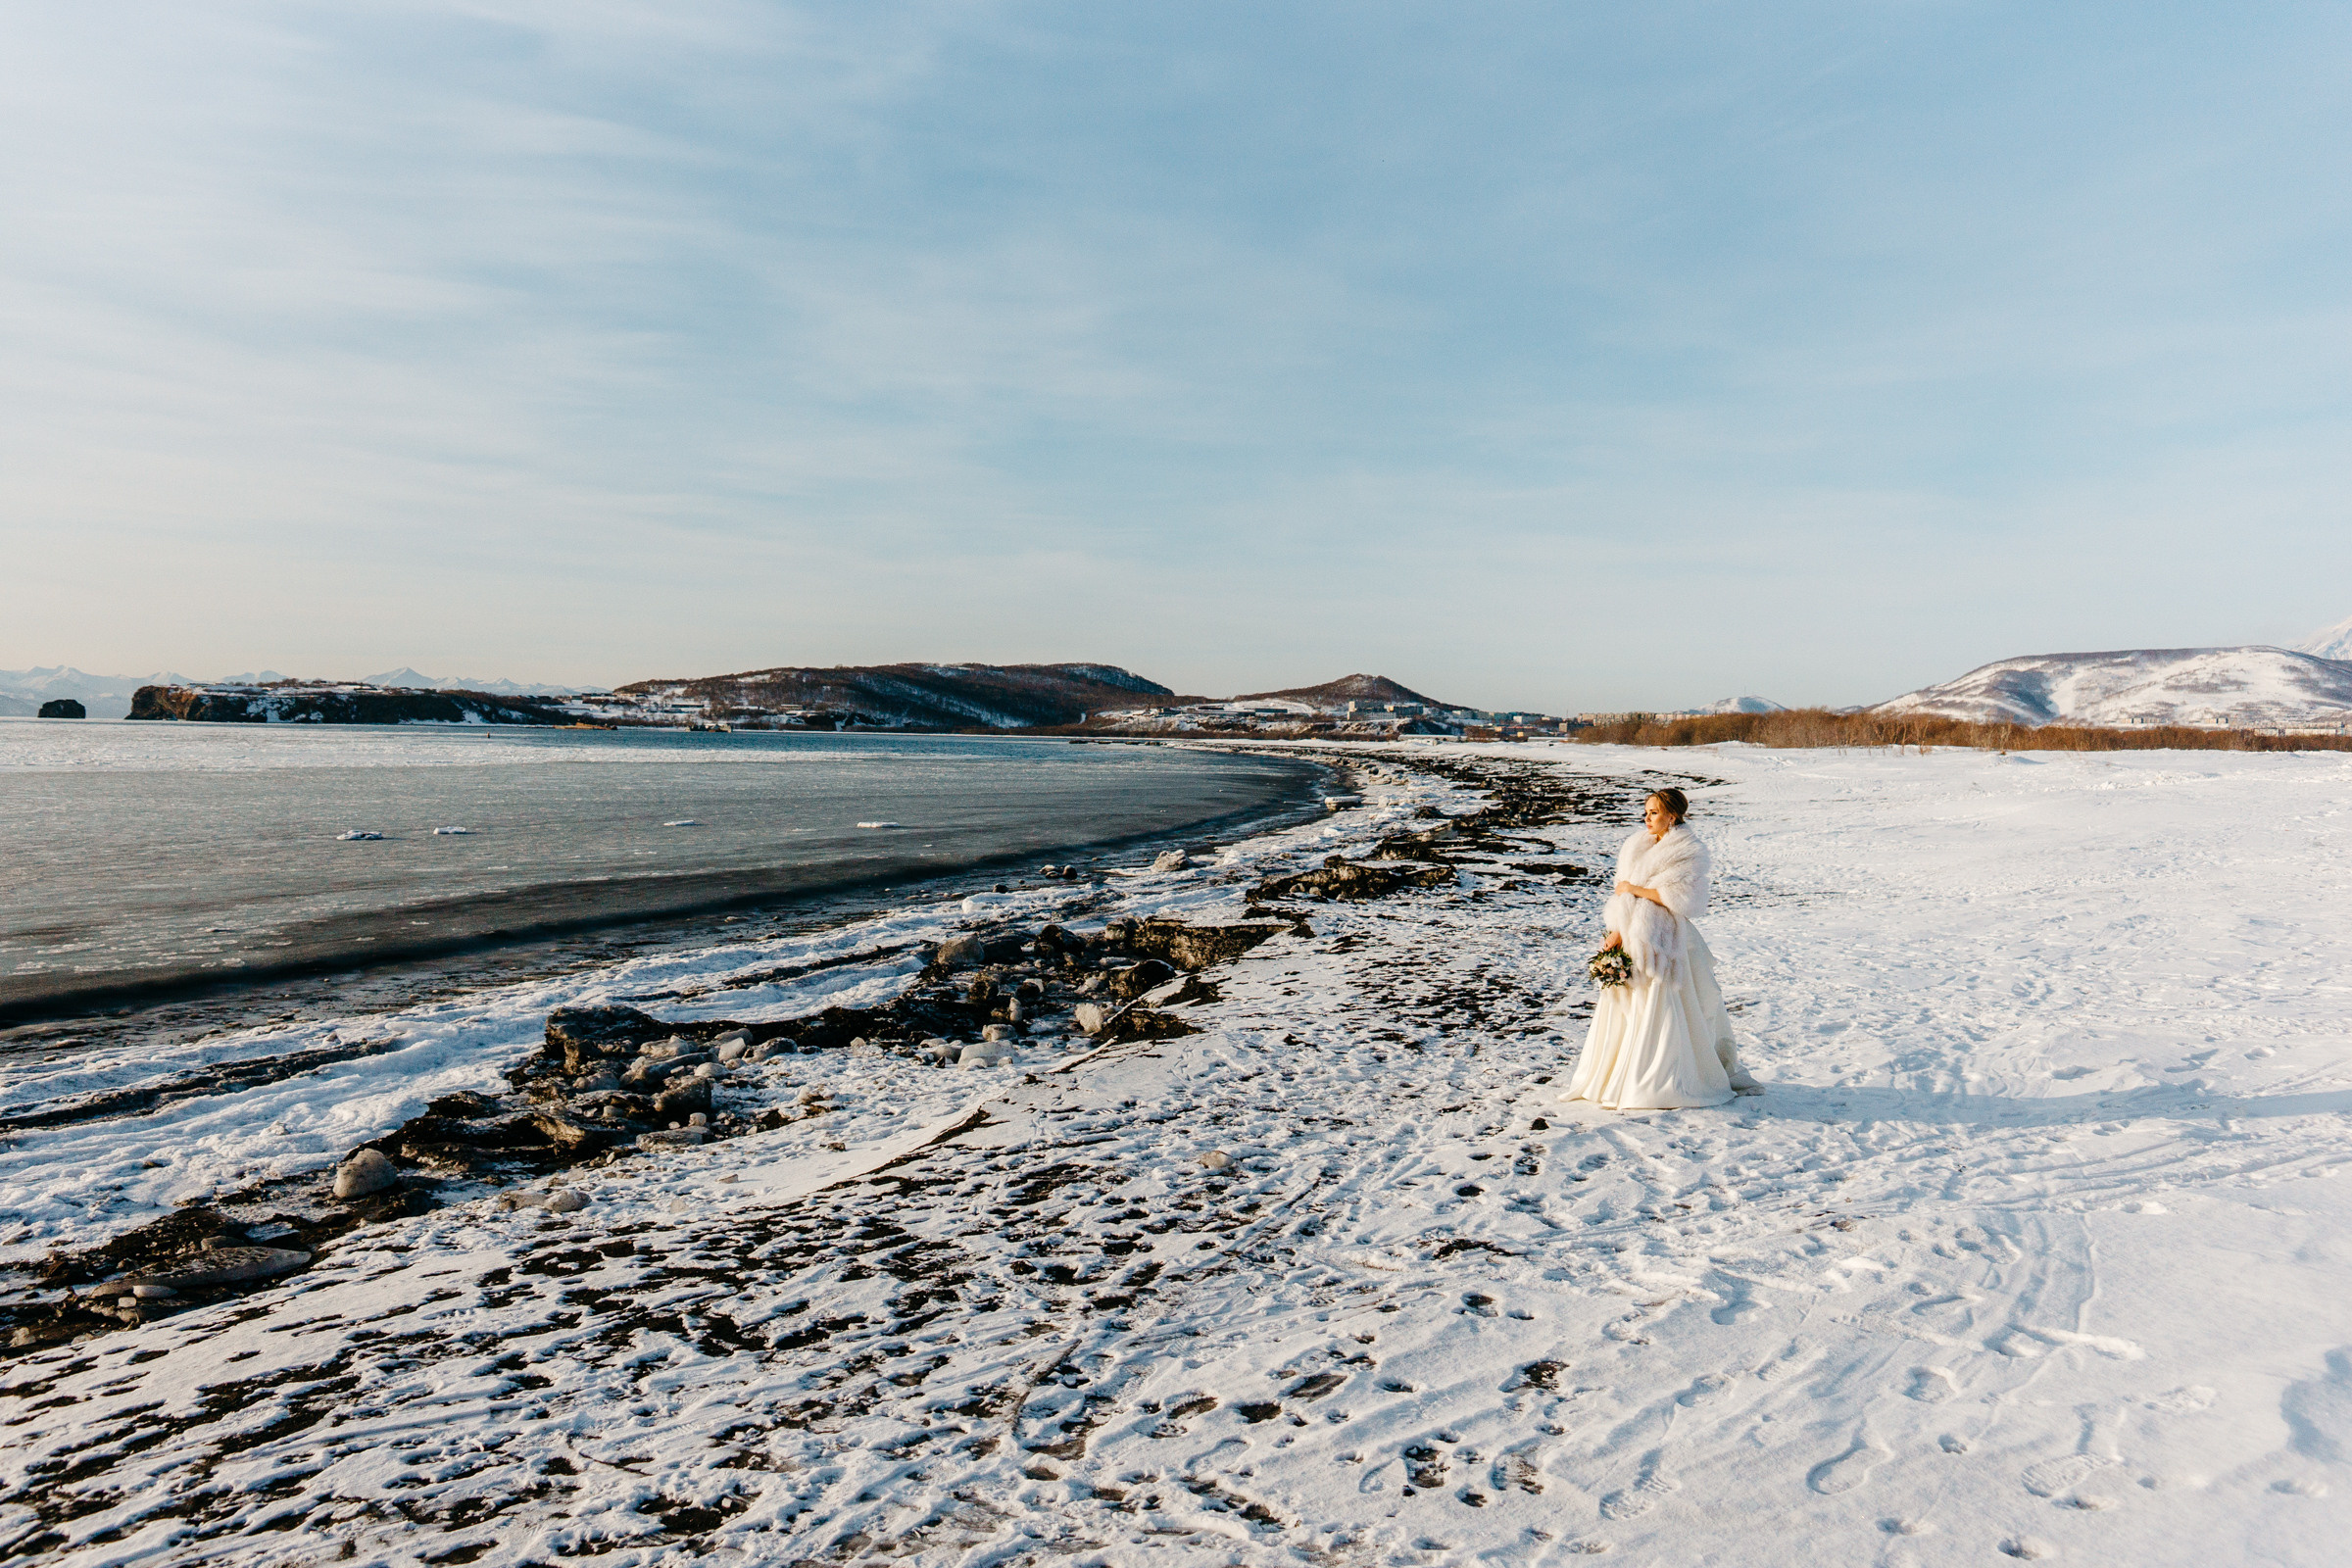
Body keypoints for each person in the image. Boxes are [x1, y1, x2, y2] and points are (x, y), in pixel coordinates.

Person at [1563, 787, 1760, 1110]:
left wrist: (1633, 888)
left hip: (1667, 939)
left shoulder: (1688, 850)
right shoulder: (1635, 846)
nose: (1647, 818)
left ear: (1673, 815)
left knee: (1664, 1004)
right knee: (1626, 1005)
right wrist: (1615, 932)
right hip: (1630, 934)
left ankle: (1661, 1080)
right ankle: (1621, 1077)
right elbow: (1622, 896)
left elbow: (1682, 900)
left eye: (1653, 812)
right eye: (1645, 811)